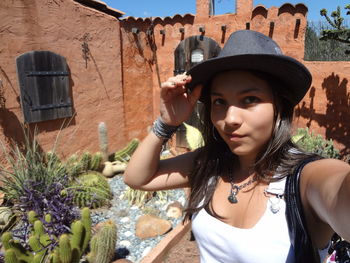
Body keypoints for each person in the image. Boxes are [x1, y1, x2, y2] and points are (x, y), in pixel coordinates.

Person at [123, 30, 350, 263]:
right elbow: (137, 179)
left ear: (279, 106)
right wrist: (166, 123)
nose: (230, 118)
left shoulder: (305, 179)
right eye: (219, 101)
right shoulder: (211, 163)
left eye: (249, 99)